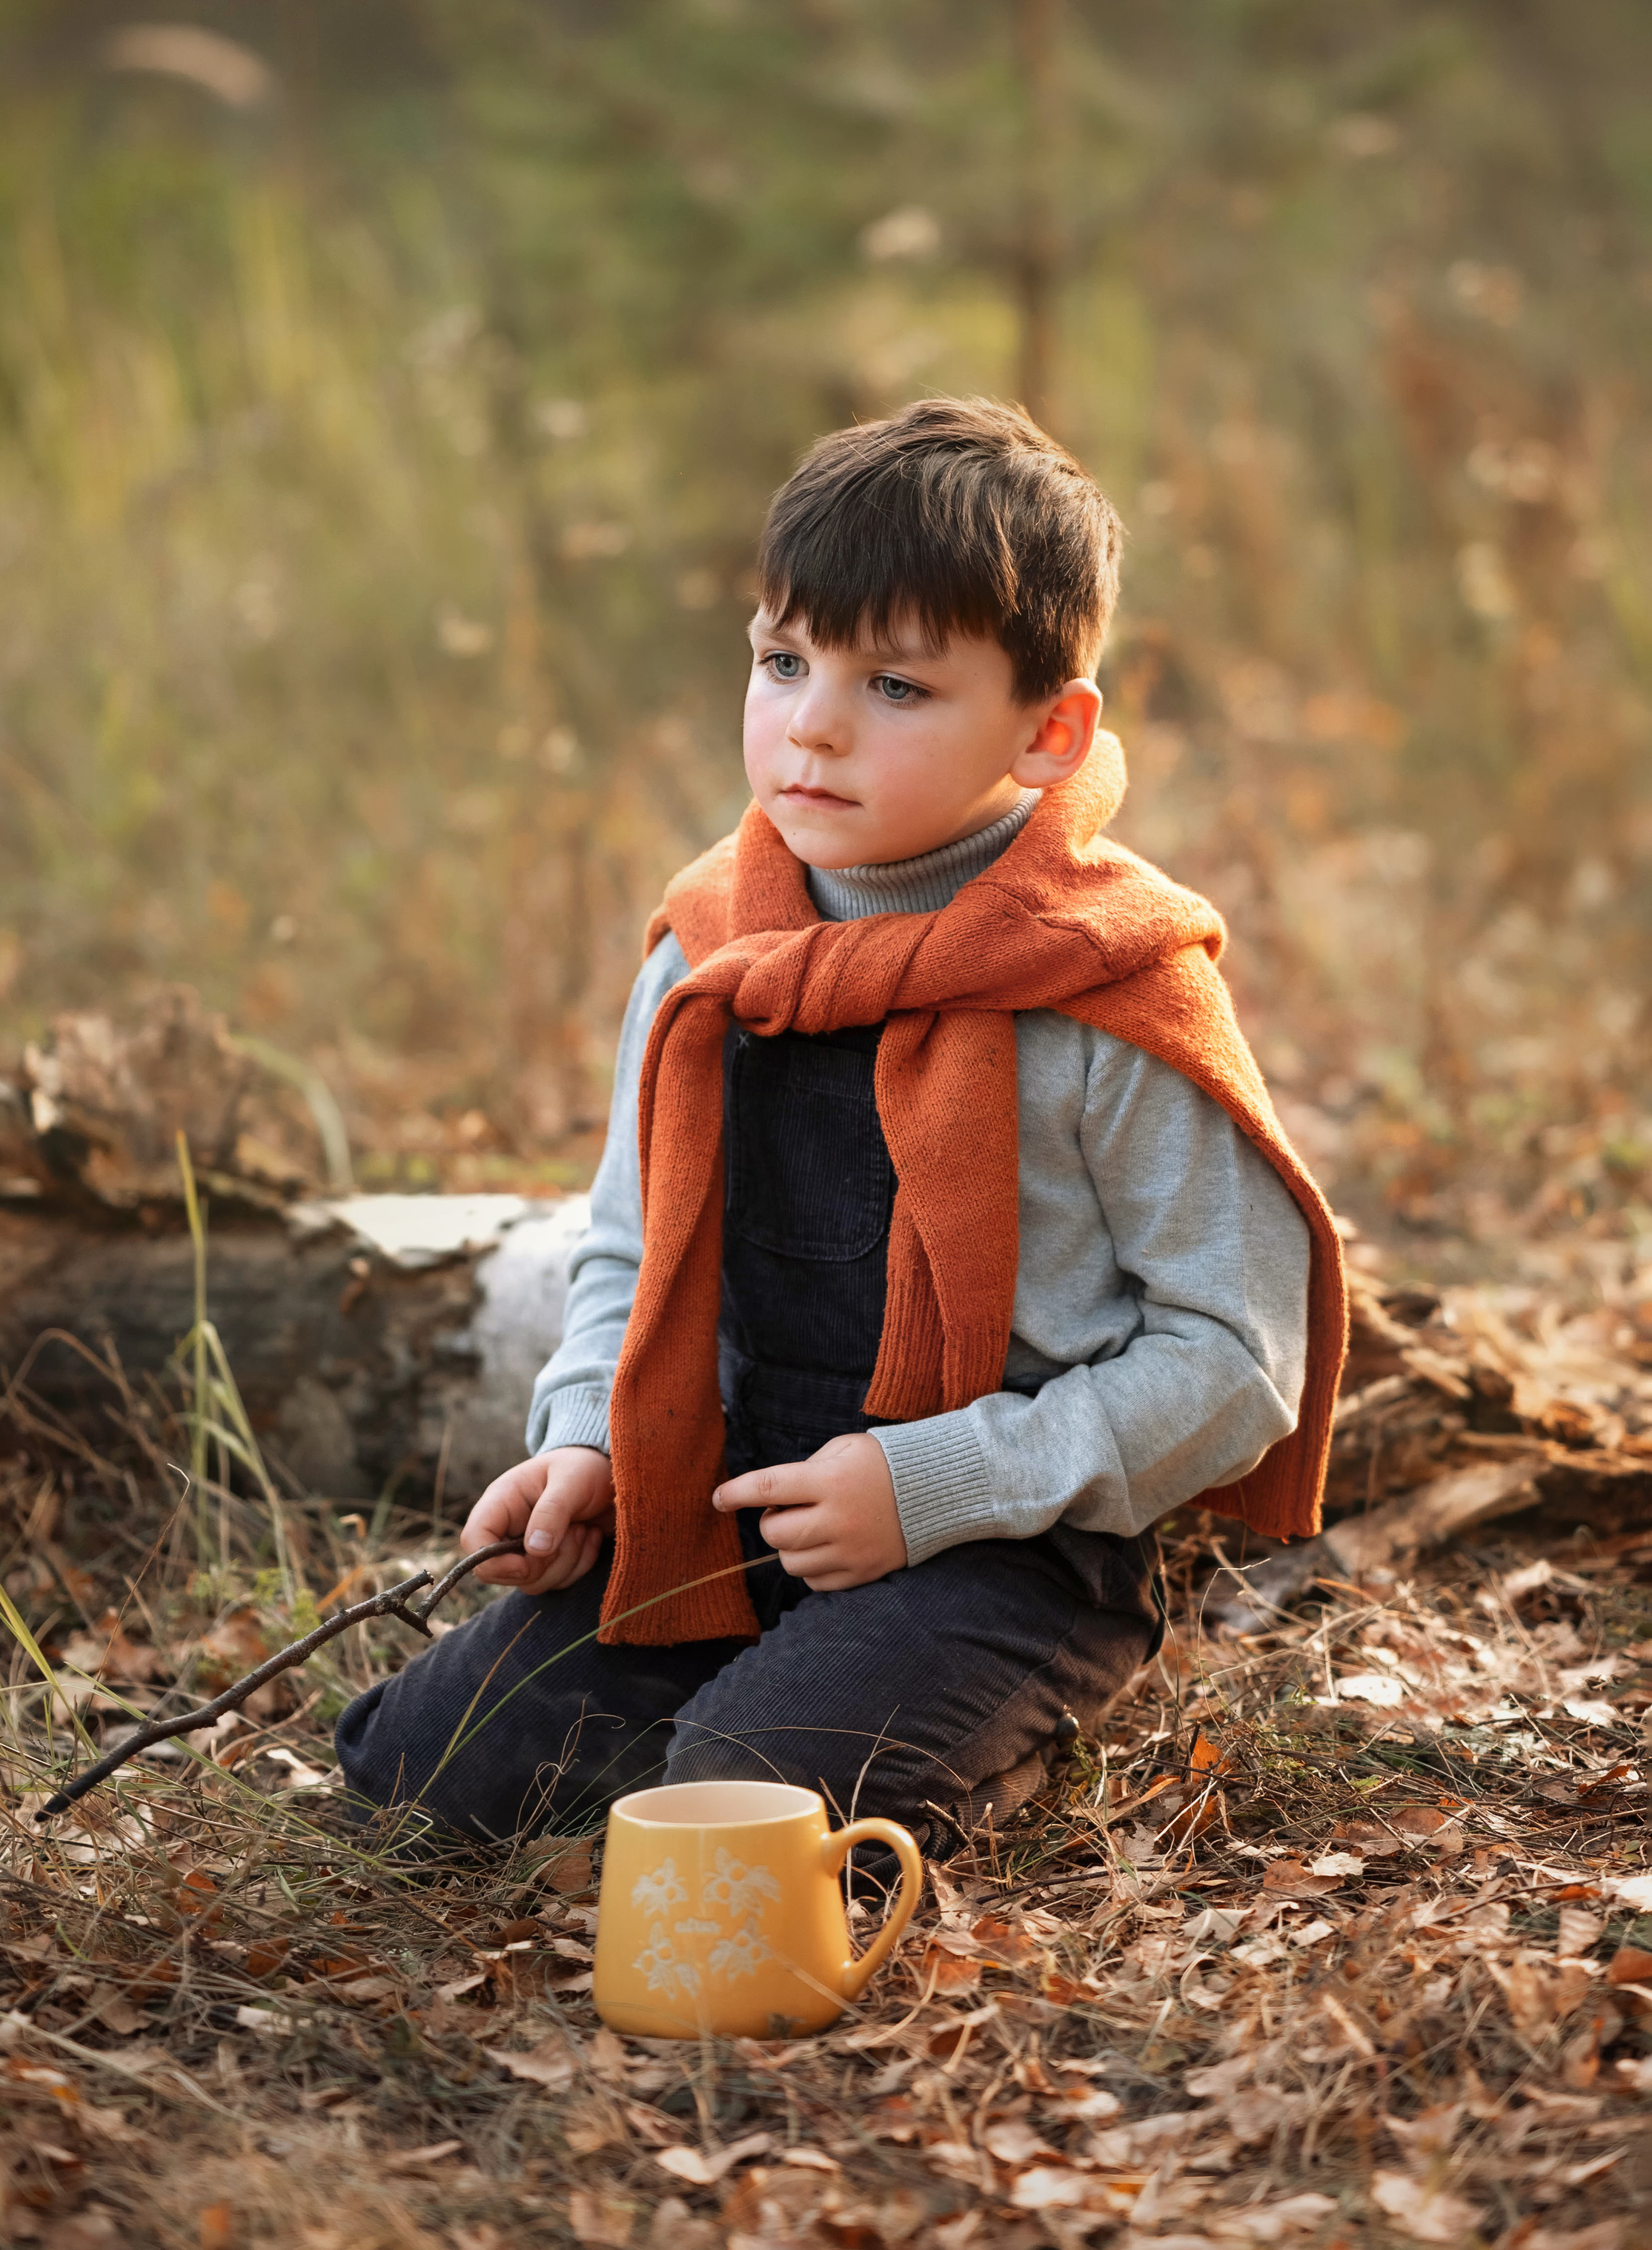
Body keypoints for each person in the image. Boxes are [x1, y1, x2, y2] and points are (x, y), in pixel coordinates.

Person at [336, 396, 1347, 1850]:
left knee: (742, 1807)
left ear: (1047, 733)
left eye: (895, 687)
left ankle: (924, 1716)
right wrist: (583, 1450)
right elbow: (623, 1255)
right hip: (732, 1505)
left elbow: (1233, 1360)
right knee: (422, 1778)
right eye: (782, 658)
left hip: (1014, 1542)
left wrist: (931, 1487)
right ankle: (756, 1697)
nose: (808, 722)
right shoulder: (705, 956)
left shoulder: (1103, 987)